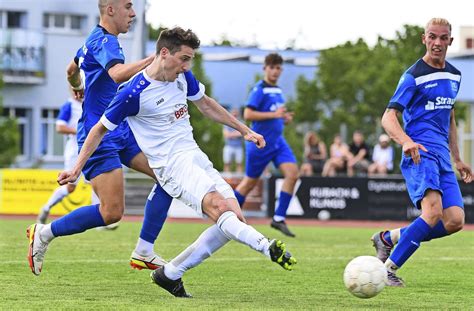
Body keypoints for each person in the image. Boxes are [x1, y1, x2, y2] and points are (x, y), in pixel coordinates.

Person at [58, 27, 297, 298]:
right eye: (184, 59)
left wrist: (245, 130)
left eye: (190, 60)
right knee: (220, 210)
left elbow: (205, 104)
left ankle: (170, 273)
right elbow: (98, 129)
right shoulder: (132, 92)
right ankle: (267, 247)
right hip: (171, 166)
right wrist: (76, 168)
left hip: (194, 156)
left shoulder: (183, 76)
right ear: (163, 53)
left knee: (235, 217)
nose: (187, 66)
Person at [27, 0, 173, 276]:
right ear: (110, 10)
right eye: (129, 7)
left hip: (121, 130)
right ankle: (44, 233)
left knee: (169, 177)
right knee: (111, 212)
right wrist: (153, 60)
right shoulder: (105, 41)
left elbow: (71, 70)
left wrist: (78, 87)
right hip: (98, 134)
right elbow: (117, 74)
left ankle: (144, 251)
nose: (133, 14)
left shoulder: (92, 41)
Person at [370, 18, 472, 287]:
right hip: (419, 153)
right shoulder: (413, 75)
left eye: (443, 38)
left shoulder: (455, 75)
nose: (437, 43)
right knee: (433, 213)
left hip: (442, 156)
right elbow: (389, 117)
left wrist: (458, 157)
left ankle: (388, 238)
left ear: (450, 40)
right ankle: (387, 270)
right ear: (423, 39)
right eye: (432, 37)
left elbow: (449, 117)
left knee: (455, 221)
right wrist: (405, 141)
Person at [234, 53, 299, 237]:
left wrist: (284, 119)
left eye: (278, 68)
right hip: (260, 143)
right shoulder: (259, 89)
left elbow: (276, 114)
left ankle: (278, 218)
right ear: (265, 68)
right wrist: (275, 115)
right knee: (249, 184)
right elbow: (248, 115)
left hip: (278, 142)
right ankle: (227, 216)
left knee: (293, 174)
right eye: (272, 67)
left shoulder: (278, 91)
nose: (275, 71)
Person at [223, 108, 244, 173]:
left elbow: (242, 133)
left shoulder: (241, 123)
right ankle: (227, 178)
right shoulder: (227, 122)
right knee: (227, 163)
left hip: (238, 146)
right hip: (229, 146)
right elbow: (226, 135)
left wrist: (231, 134)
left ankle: (239, 178)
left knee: (239, 163)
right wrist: (236, 134)